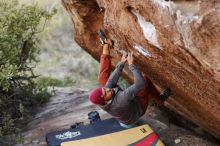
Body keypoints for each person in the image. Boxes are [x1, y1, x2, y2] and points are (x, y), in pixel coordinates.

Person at [89, 38, 171, 128]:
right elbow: (140, 83)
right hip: (138, 109)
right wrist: (131, 64)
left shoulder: (102, 100)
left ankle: (106, 45)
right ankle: (159, 100)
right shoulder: (121, 100)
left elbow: (111, 81)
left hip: (125, 112)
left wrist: (122, 62)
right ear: (104, 100)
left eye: (104, 89)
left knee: (102, 79)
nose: (108, 89)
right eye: (106, 93)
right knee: (145, 80)